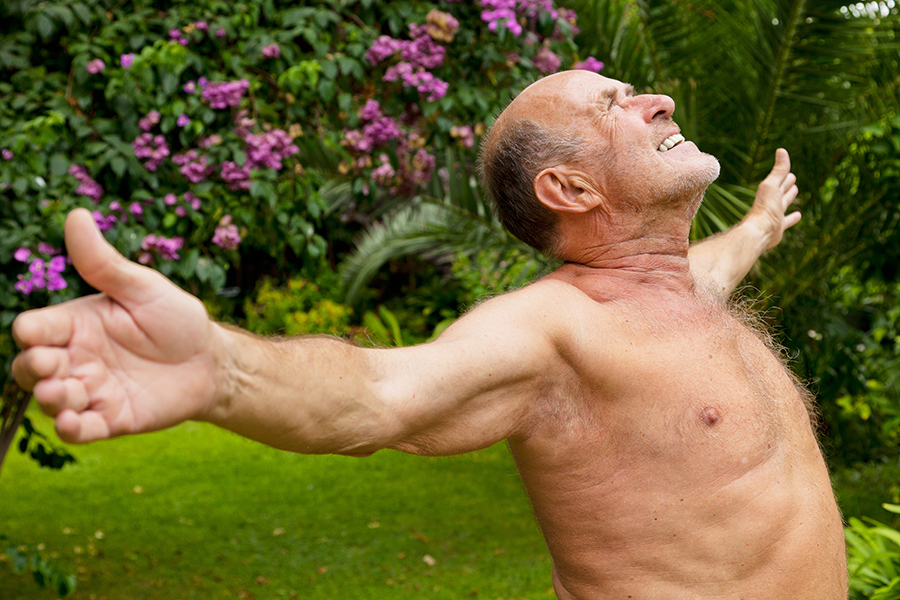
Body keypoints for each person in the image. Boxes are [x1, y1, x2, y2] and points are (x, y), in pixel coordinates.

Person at [11, 70, 847, 599]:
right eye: (614, 105)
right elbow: (381, 396)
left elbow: (713, 267)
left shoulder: (678, 290)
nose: (656, 98)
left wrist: (760, 225)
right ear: (569, 186)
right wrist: (221, 370)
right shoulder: (556, 331)